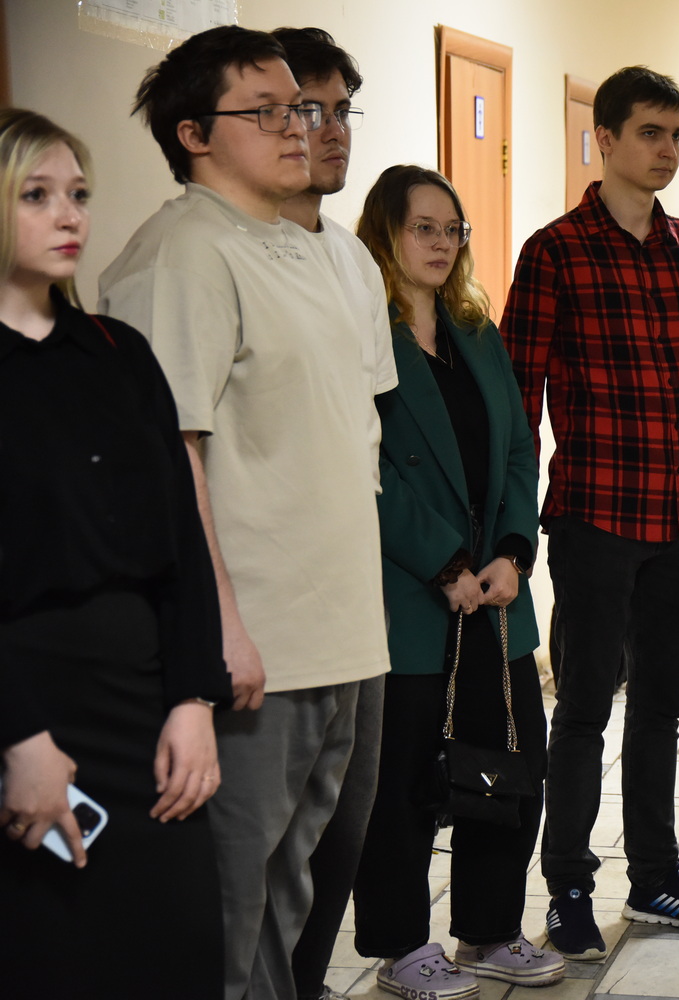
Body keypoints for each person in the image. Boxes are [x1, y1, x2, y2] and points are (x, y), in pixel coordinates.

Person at [97, 26, 392, 999]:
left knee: (290, 900)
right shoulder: (182, 254)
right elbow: (169, 459)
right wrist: (219, 629)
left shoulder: (316, 251)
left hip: (340, 632)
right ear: (194, 135)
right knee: (227, 912)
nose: (299, 126)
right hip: (257, 645)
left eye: (300, 106)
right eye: (265, 111)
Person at [502, 64, 679, 959]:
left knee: (661, 708)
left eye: (675, 135)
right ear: (603, 140)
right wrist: (511, 528)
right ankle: (568, 886)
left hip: (676, 516)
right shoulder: (555, 251)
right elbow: (520, 400)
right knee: (584, 709)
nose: (667, 150)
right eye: (650, 133)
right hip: (595, 516)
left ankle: (655, 878)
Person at [0, 108, 230, 997]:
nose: (70, 216)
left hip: (144, 710)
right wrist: (20, 738)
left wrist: (192, 700)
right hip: (27, 702)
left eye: (79, 194)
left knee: (176, 946)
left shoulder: (118, 352)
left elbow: (181, 540)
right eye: (37, 195)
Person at [350, 164, 564, 995]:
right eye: (423, 228)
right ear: (385, 234)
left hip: (497, 595)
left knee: (511, 761)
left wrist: (512, 548)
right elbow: (364, 464)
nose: (442, 244)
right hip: (412, 593)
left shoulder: (476, 330)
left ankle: (488, 931)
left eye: (453, 230)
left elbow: (517, 445)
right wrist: (446, 563)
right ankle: (403, 947)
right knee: (405, 776)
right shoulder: (362, 333)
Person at [270, 27, 399, 1000]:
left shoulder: (351, 263)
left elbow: (367, 428)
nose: (331, 130)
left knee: (336, 843)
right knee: (262, 866)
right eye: (309, 109)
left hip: (355, 606)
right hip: (269, 621)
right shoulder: (206, 255)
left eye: (342, 110)